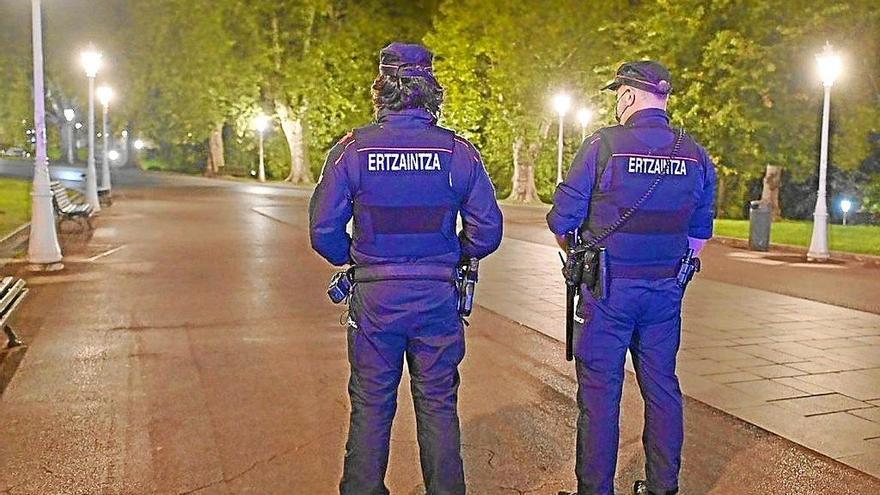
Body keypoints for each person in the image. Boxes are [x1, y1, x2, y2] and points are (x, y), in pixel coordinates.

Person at [309, 42, 503, 495]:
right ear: (430, 90)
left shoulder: (352, 151)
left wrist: (356, 257)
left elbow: (323, 231)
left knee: (372, 403)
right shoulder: (459, 153)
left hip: (375, 298)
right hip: (437, 298)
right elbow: (487, 232)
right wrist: (452, 254)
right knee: (437, 404)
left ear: (381, 89)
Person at [548, 61, 716, 495]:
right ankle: (663, 486)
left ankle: (595, 489)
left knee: (601, 395)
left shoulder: (602, 147)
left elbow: (562, 220)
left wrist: (578, 255)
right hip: (665, 290)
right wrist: (678, 271)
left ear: (627, 95)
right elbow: (700, 231)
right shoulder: (694, 152)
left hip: (606, 290)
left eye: (619, 94)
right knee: (662, 387)